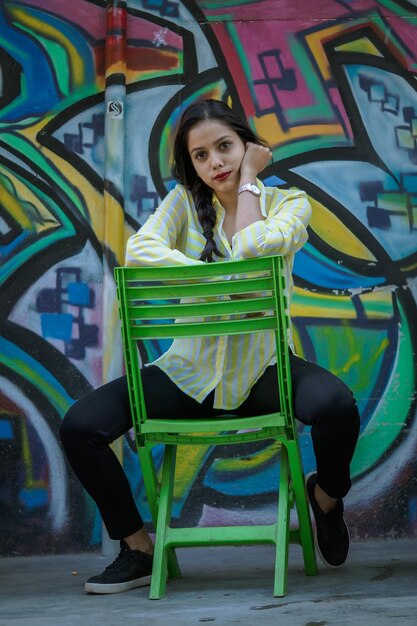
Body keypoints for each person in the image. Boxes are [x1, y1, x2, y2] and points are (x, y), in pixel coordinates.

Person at [60, 99, 360, 595]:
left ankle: (325, 501)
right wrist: (212, 279)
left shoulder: (289, 205)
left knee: (337, 406)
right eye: (201, 156)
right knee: (80, 426)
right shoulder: (183, 202)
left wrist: (246, 184)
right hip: (187, 373)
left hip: (266, 371)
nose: (214, 163)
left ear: (248, 146)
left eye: (225, 147)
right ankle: (137, 548)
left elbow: (249, 248)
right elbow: (140, 249)